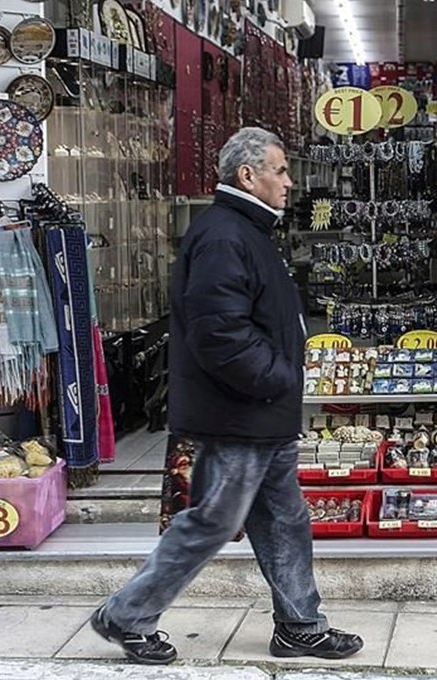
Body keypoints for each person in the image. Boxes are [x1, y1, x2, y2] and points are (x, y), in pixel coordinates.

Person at [90, 127, 363, 665]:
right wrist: (278, 378)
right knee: (210, 522)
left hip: (262, 415)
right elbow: (220, 335)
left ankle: (300, 625)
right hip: (239, 415)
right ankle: (126, 615)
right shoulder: (223, 236)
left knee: (284, 520)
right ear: (247, 175)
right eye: (280, 170)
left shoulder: (247, 230)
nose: (290, 181)